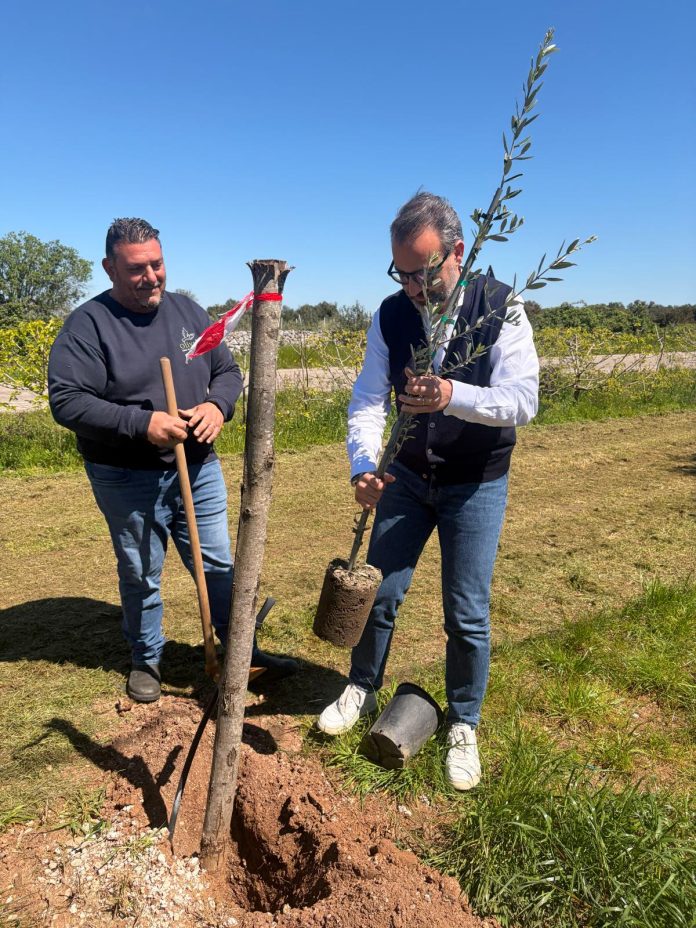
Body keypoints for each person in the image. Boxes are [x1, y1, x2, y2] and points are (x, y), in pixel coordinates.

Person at [317, 193, 539, 790]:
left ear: (458, 252)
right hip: (407, 477)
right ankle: (362, 686)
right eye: (403, 274)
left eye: (424, 272)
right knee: (379, 592)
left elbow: (523, 400)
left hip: (475, 482)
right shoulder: (391, 314)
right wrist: (364, 466)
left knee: (466, 612)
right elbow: (369, 397)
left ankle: (462, 721)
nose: (415, 288)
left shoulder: (501, 306)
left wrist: (451, 395)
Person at [48, 218, 297, 702]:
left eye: (157, 264)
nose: (151, 277)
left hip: (199, 468)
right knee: (141, 570)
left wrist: (216, 406)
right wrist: (142, 424)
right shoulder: (88, 325)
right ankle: (146, 658)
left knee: (218, 562)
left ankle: (240, 651)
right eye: (136, 269)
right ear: (109, 268)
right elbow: (68, 401)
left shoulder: (188, 312)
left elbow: (227, 371)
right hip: (126, 476)